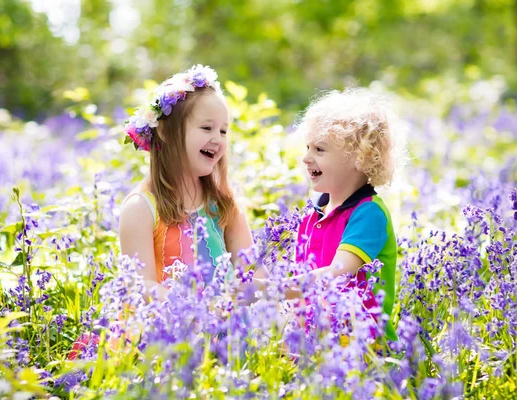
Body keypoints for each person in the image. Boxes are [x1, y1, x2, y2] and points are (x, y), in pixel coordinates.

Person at [69, 65, 253, 359]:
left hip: (228, 334)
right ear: (165, 131)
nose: (218, 138)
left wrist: (280, 292)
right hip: (170, 338)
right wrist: (194, 309)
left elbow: (252, 270)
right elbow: (143, 287)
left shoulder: (224, 205)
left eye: (223, 130)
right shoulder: (142, 208)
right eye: (206, 128)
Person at [249, 88, 399, 341]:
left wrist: (271, 290)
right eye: (308, 147)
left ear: (360, 158)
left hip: (362, 348)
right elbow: (304, 283)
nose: (306, 157)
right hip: (315, 342)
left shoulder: (369, 213)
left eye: (319, 149)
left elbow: (339, 273)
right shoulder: (313, 215)